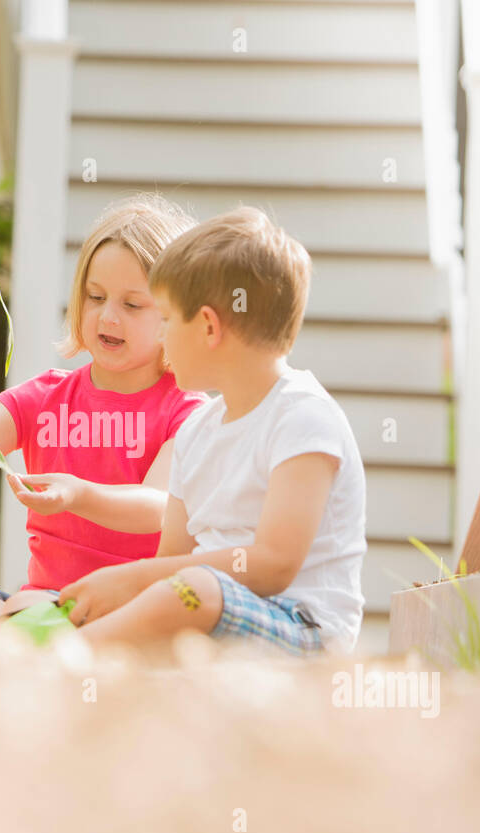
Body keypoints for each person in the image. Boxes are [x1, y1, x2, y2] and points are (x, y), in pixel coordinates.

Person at [0, 195, 207, 639]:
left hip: (127, 611)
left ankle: (21, 640)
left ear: (171, 317)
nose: (107, 315)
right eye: (96, 296)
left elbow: (157, 508)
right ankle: (31, 637)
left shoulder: (186, 410)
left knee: (189, 603)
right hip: (39, 603)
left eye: (132, 304)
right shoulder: (44, 397)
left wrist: (77, 494)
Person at [58, 207, 367, 655]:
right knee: (177, 591)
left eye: (165, 319)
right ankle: (63, 639)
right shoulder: (195, 432)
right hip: (204, 607)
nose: (160, 337)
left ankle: (60, 656)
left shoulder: (303, 418)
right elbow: (169, 563)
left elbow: (273, 565)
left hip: (301, 627)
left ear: (207, 326)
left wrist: (131, 577)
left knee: (193, 590)